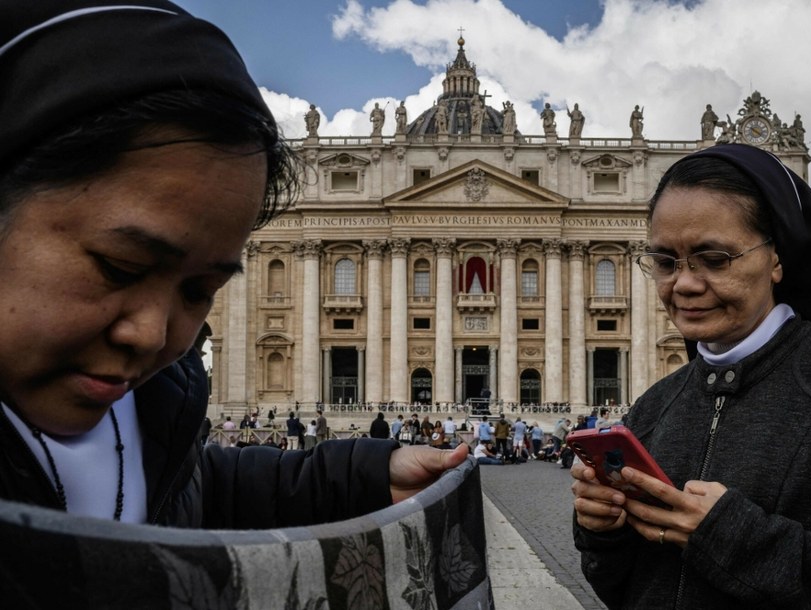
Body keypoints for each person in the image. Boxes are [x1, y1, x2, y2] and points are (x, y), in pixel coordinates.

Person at [0, 0, 467, 532]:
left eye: (200, 290)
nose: (153, 335)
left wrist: (362, 474)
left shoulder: (149, 414)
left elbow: (189, 488)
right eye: (119, 267)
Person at [571, 143, 811, 607]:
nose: (685, 284)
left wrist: (731, 537)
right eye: (665, 262)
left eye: (714, 259)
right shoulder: (651, 409)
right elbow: (625, 589)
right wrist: (602, 532)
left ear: (776, 259)